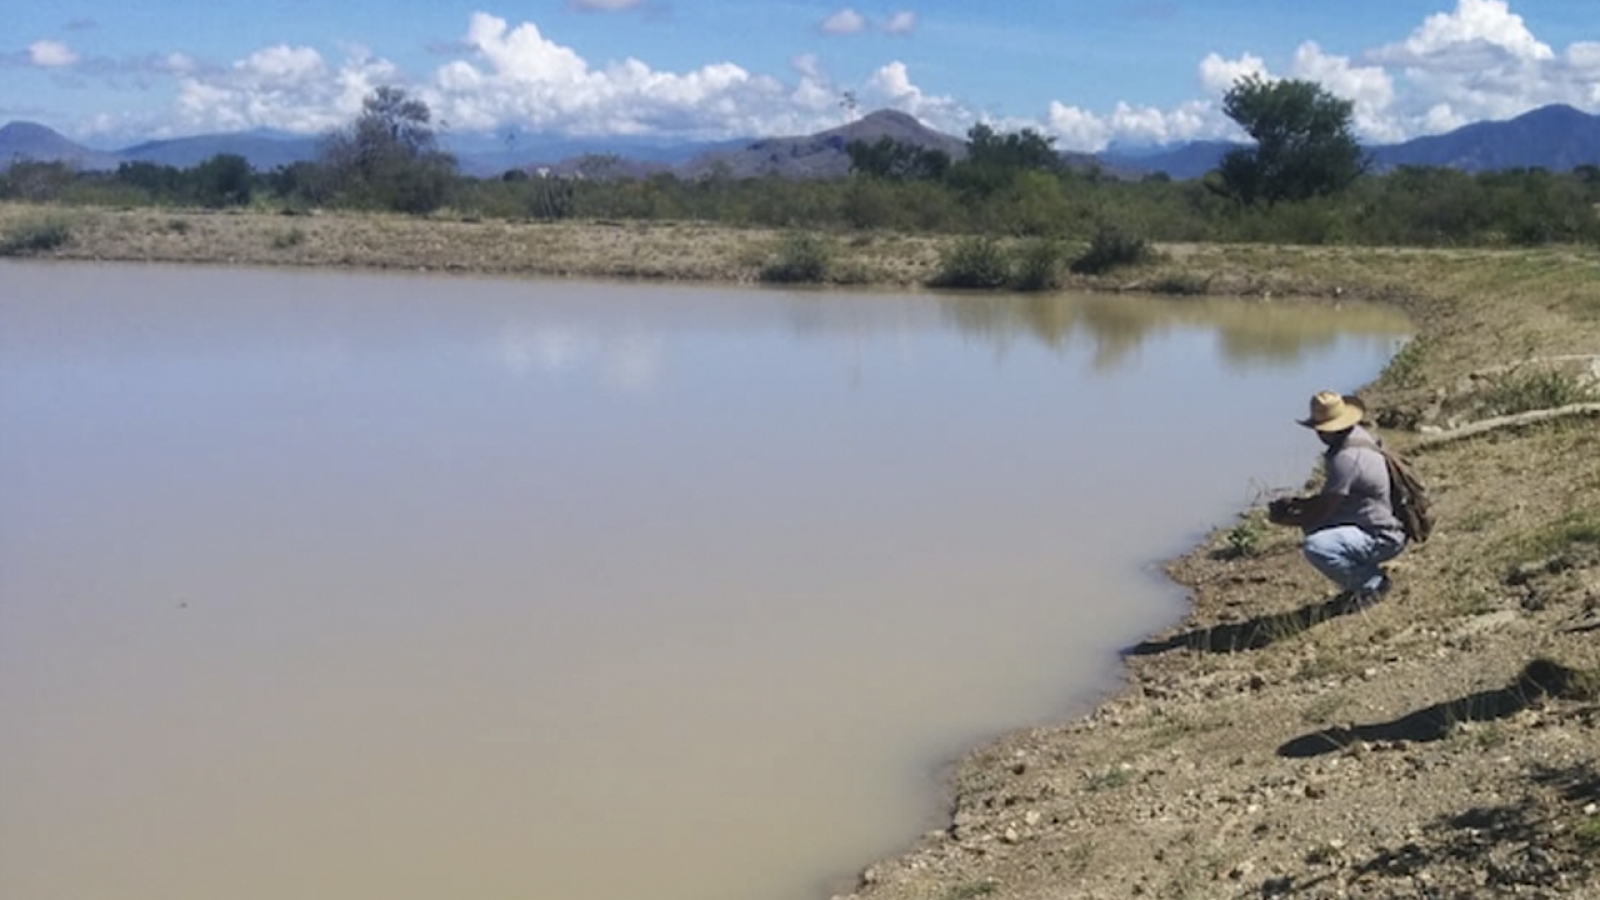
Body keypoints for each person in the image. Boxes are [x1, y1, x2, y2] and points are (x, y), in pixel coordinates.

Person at [1268, 391, 1407, 609]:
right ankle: (1360, 577)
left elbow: (1323, 511)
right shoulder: (1359, 436)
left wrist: (1284, 520)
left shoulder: (1344, 459)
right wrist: (1299, 503)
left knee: (1317, 546)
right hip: (1388, 524)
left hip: (1382, 536)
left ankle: (1372, 584)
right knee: (1314, 529)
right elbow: (1330, 500)